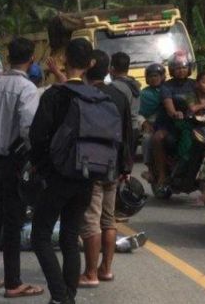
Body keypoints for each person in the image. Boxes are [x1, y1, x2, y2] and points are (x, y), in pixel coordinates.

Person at [30, 38, 97, 304]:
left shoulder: (55, 95)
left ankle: (60, 296)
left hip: (59, 177)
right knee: (70, 236)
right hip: (89, 176)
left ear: (65, 60)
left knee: (40, 235)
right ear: (91, 64)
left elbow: (37, 137)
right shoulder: (98, 97)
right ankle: (68, 295)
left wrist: (42, 168)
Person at [0, 37, 43, 298]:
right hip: (13, 162)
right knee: (14, 221)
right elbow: (28, 128)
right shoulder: (27, 89)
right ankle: (14, 283)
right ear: (31, 60)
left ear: (8, 58)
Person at [79, 50, 133, 288]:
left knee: (91, 219)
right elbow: (128, 133)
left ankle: (90, 273)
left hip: (89, 167)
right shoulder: (120, 95)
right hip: (113, 166)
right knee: (108, 220)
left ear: (88, 66)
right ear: (108, 68)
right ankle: (106, 269)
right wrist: (126, 166)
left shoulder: (82, 94)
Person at [152, 50, 196, 186]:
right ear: (172, 70)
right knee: (158, 138)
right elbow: (168, 105)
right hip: (170, 124)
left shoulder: (194, 84)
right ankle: (162, 174)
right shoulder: (167, 86)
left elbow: (204, 99)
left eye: (184, 67)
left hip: (192, 123)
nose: (181, 71)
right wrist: (175, 113)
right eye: (177, 68)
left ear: (189, 68)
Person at [174, 71, 205, 163]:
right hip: (191, 123)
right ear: (197, 83)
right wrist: (203, 105)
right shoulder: (190, 95)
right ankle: (183, 162)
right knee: (187, 141)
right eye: (204, 82)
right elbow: (192, 108)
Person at [109, 52, 142, 149]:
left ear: (112, 69)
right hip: (134, 128)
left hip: (122, 130)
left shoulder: (115, 87)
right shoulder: (134, 84)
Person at [139, 63, 166, 180]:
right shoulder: (144, 94)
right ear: (147, 79)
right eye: (151, 76)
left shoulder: (169, 89)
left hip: (169, 123)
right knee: (147, 139)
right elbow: (137, 113)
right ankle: (150, 169)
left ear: (162, 76)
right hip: (152, 124)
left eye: (156, 75)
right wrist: (144, 123)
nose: (154, 78)